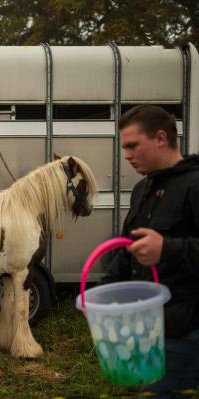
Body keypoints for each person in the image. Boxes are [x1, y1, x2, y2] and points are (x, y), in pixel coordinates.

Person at [101, 105, 199, 398]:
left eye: (133, 145)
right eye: (124, 147)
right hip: (149, 330)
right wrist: (103, 292)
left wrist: (167, 248)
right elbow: (127, 250)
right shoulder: (142, 190)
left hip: (186, 331)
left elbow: (161, 249)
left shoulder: (194, 184)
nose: (127, 155)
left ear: (161, 138)